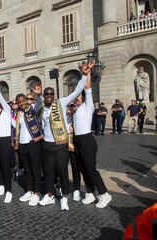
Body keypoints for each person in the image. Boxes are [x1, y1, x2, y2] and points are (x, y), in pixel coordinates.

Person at [38, 62, 90, 211]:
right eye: (46, 94)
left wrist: (85, 75)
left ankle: (65, 196)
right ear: (44, 96)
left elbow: (77, 91)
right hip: (46, 145)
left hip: (60, 144)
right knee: (48, 172)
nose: (49, 96)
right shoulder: (42, 107)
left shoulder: (60, 103)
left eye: (51, 94)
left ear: (54, 96)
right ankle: (49, 194)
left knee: (61, 171)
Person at [73, 61, 112, 209]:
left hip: (87, 140)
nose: (76, 98)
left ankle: (104, 194)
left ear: (82, 97)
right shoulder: (75, 110)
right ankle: (90, 193)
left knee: (91, 169)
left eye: (78, 96)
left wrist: (87, 72)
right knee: (83, 168)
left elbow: (88, 88)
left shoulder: (88, 105)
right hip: (77, 140)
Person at [13, 91, 44, 207]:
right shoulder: (18, 114)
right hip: (22, 143)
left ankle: (37, 192)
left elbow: (40, 103)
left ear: (26, 100)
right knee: (27, 169)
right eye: (19, 102)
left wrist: (39, 94)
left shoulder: (32, 110)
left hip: (33, 142)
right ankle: (30, 191)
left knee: (35, 168)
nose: (21, 103)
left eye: (23, 101)